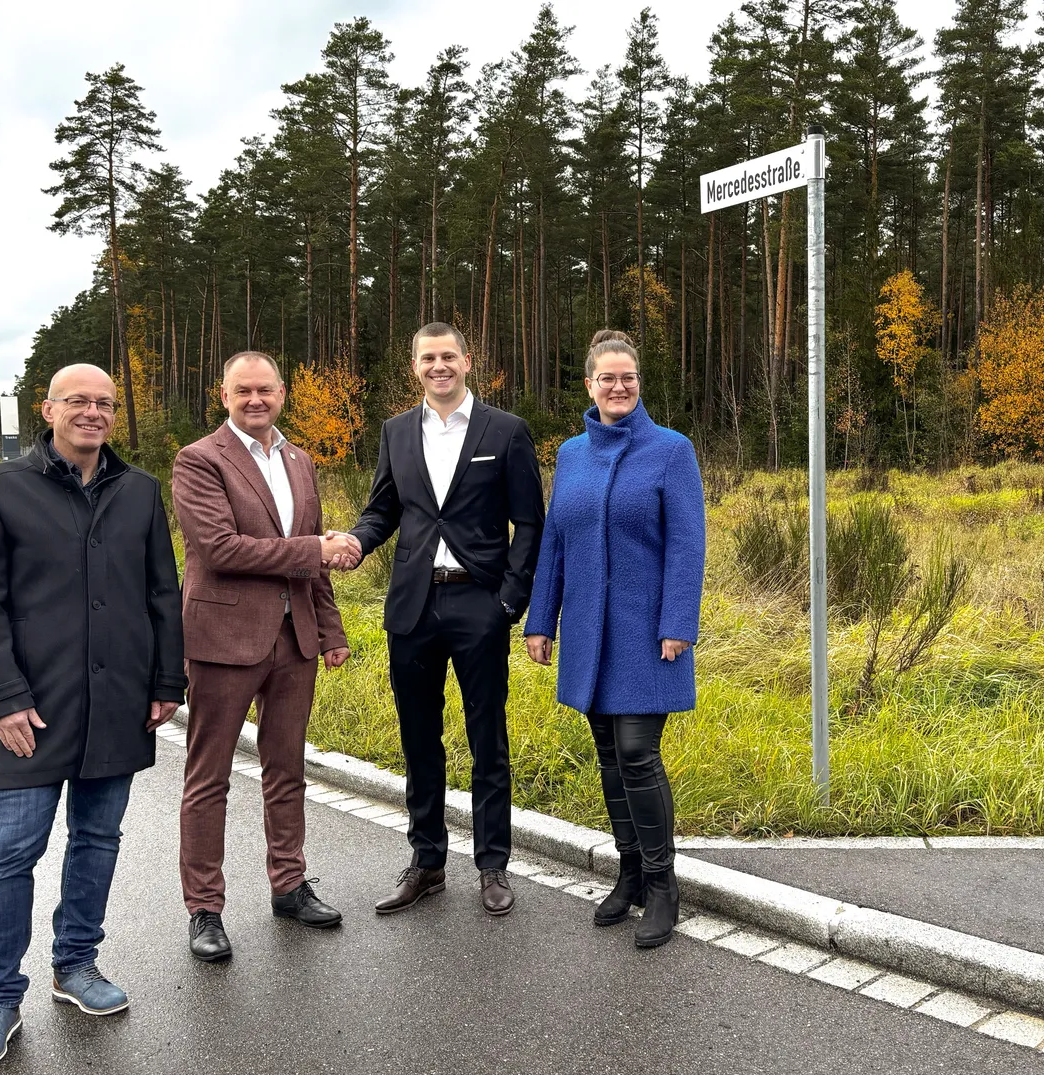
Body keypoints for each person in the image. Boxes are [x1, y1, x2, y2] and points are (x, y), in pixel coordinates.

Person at [0, 364, 186, 1070]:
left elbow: (162, 592)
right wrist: (2, 699)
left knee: (98, 838)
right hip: (34, 709)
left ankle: (76, 963)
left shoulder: (140, 490)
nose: (93, 412)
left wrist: (166, 680)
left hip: (118, 704)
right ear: (48, 409)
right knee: (7, 853)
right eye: (78, 401)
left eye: (105, 403)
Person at [342, 322, 544, 917]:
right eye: (428, 358)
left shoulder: (505, 431)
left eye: (448, 356)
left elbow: (530, 522)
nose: (439, 366)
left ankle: (492, 865)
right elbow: (383, 510)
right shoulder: (396, 431)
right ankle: (427, 861)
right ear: (415, 366)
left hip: (479, 603)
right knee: (418, 738)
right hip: (413, 606)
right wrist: (355, 542)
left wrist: (509, 601)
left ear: (467, 360)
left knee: (488, 739)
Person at [524, 330, 705, 949]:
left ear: (639, 383)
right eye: (607, 378)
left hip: (647, 633)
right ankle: (628, 873)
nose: (618, 386)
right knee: (607, 752)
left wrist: (678, 623)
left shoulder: (671, 451)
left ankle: (662, 884)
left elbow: (687, 544)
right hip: (587, 630)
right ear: (590, 385)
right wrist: (541, 619)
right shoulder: (572, 454)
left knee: (636, 751)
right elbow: (555, 541)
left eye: (628, 377)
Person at [172, 351, 354, 962]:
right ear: (223, 395)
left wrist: (330, 632)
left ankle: (289, 885)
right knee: (209, 777)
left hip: (294, 639)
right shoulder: (199, 460)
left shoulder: (300, 461)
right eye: (243, 390)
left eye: (266, 390)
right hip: (224, 641)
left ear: (282, 393)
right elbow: (221, 549)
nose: (256, 400)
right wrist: (315, 548)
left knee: (287, 769)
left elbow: (312, 566)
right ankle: (205, 909)